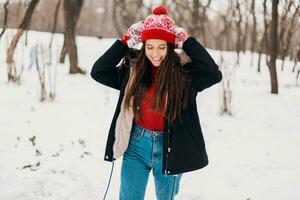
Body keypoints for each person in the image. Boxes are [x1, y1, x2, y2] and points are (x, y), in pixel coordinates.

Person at [91, 6, 222, 200]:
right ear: (143, 47)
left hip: (169, 148)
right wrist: (125, 41)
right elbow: (98, 71)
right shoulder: (132, 71)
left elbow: (213, 74)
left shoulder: (184, 75)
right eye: (150, 47)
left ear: (170, 47)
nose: (155, 54)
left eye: (162, 47)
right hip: (136, 145)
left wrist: (187, 41)